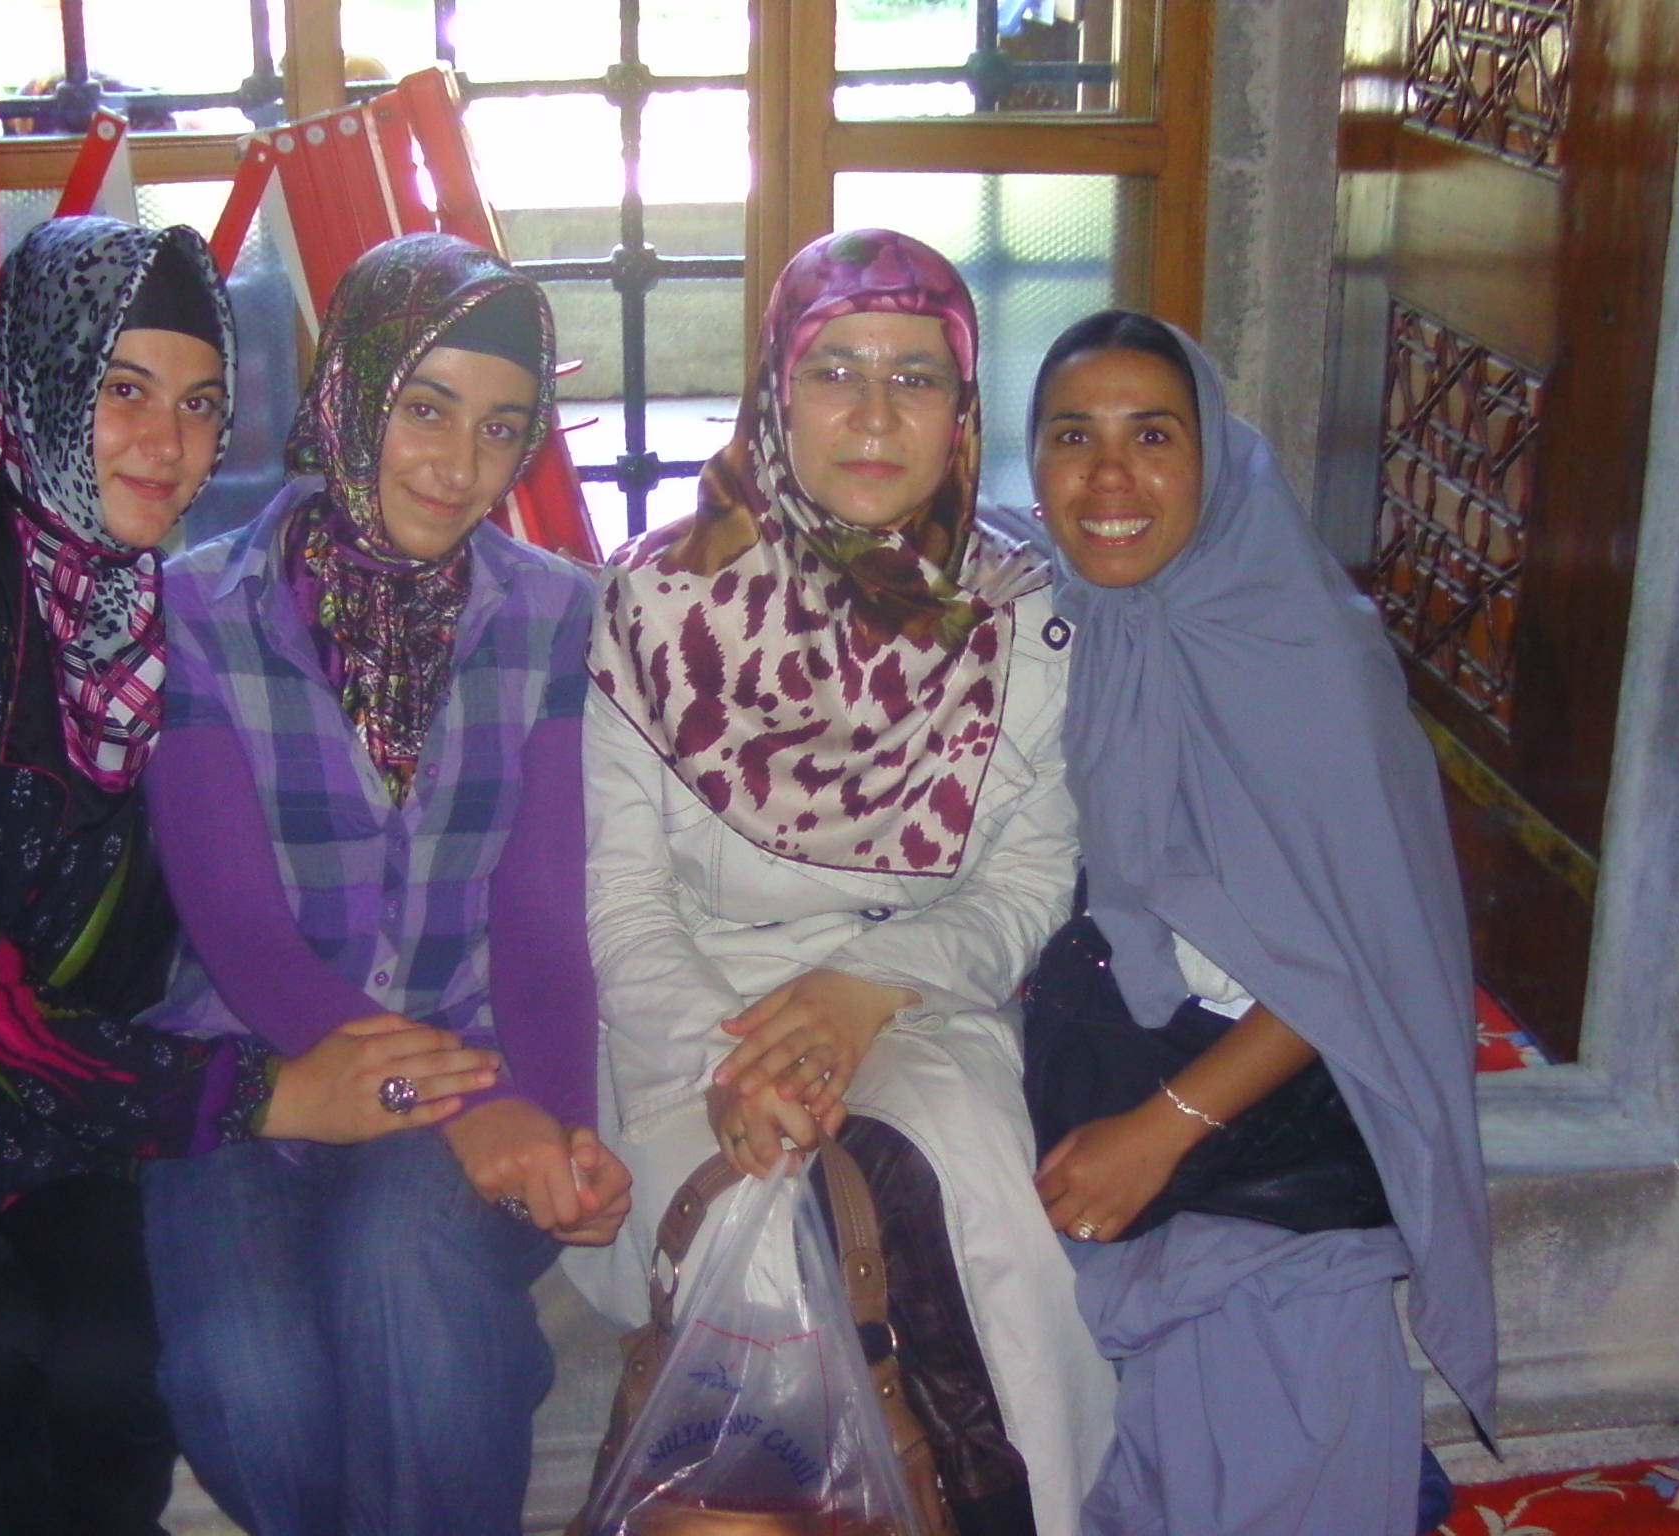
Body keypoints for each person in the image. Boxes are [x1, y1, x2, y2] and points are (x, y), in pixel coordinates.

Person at [0, 217, 493, 1536]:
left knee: (122, 1353)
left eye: (200, 404)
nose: (167, 445)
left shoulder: (124, 595)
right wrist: (259, 1092)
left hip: (55, 1097)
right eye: (124, 390)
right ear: (44, 380)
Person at [565, 228, 1116, 1536]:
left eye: (914, 377)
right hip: (694, 1021)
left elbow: (1026, 884)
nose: (874, 415)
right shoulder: (653, 604)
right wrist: (732, 1065)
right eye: (835, 372)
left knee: (985, 1224)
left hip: (915, 997)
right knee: (769, 1228)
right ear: (775, 392)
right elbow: (624, 902)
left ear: (962, 410)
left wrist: (867, 987)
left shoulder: (1022, 619)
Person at [135, 231, 632, 1536]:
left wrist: (551, 1128)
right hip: (245, 1075)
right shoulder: (194, 612)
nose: (459, 465)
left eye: (501, 428)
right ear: (351, 393)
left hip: (479, 1059)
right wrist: (446, 1104)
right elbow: (242, 938)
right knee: (245, 1380)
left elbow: (540, 922)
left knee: (402, 1278)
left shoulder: (556, 616)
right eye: (426, 408)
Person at [1017, 309, 1497, 1535]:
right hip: (1115, 1071)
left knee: (1256, 1430)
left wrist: (1161, 1130)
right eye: (1071, 437)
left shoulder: (1303, 656)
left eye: (1151, 436)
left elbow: (1365, 959)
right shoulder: (1063, 623)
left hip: (1276, 1107)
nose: (1108, 478)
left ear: (1215, 457)